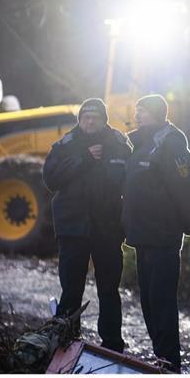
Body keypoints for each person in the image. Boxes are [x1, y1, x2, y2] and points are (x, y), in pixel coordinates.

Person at [42, 97, 131, 352]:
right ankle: (66, 343)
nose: (90, 122)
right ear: (80, 120)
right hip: (73, 229)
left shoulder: (119, 144)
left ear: (104, 121)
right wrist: (84, 158)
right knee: (71, 290)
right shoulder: (66, 145)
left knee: (109, 290)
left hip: (108, 230)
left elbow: (132, 184)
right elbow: (50, 179)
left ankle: (113, 346)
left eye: (95, 118)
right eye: (85, 118)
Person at [123, 93, 190, 372]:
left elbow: (187, 186)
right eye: (137, 111)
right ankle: (160, 358)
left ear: (158, 114)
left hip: (163, 236)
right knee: (147, 302)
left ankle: (170, 365)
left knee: (162, 303)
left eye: (142, 111)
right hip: (142, 236)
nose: (137, 115)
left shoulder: (170, 141)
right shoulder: (141, 143)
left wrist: (187, 221)